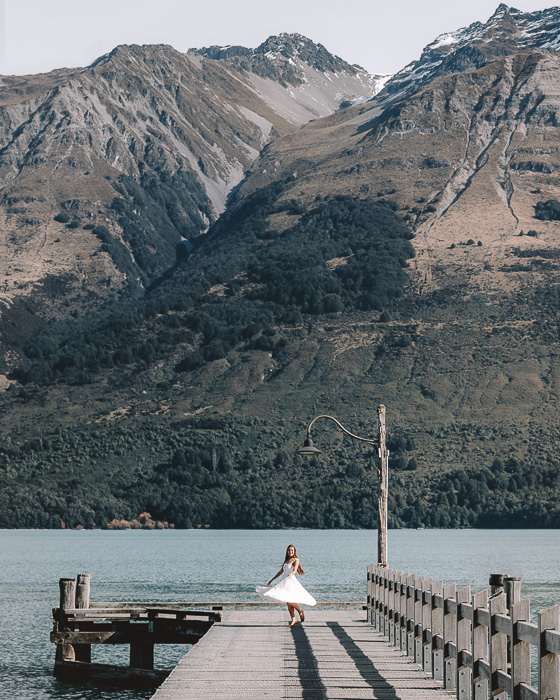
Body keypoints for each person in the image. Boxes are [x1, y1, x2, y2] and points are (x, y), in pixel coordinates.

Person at [256, 544, 317, 626]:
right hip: (284, 581)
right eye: (289, 550)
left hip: (290, 581)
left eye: (292, 550)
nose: (290, 552)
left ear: (294, 551)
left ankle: (299, 612)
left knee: (288, 600)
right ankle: (294, 618)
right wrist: (272, 579)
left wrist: (291, 574)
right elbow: (280, 572)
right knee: (287, 600)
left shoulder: (296, 560)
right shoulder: (286, 561)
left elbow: (295, 570)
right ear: (287, 551)